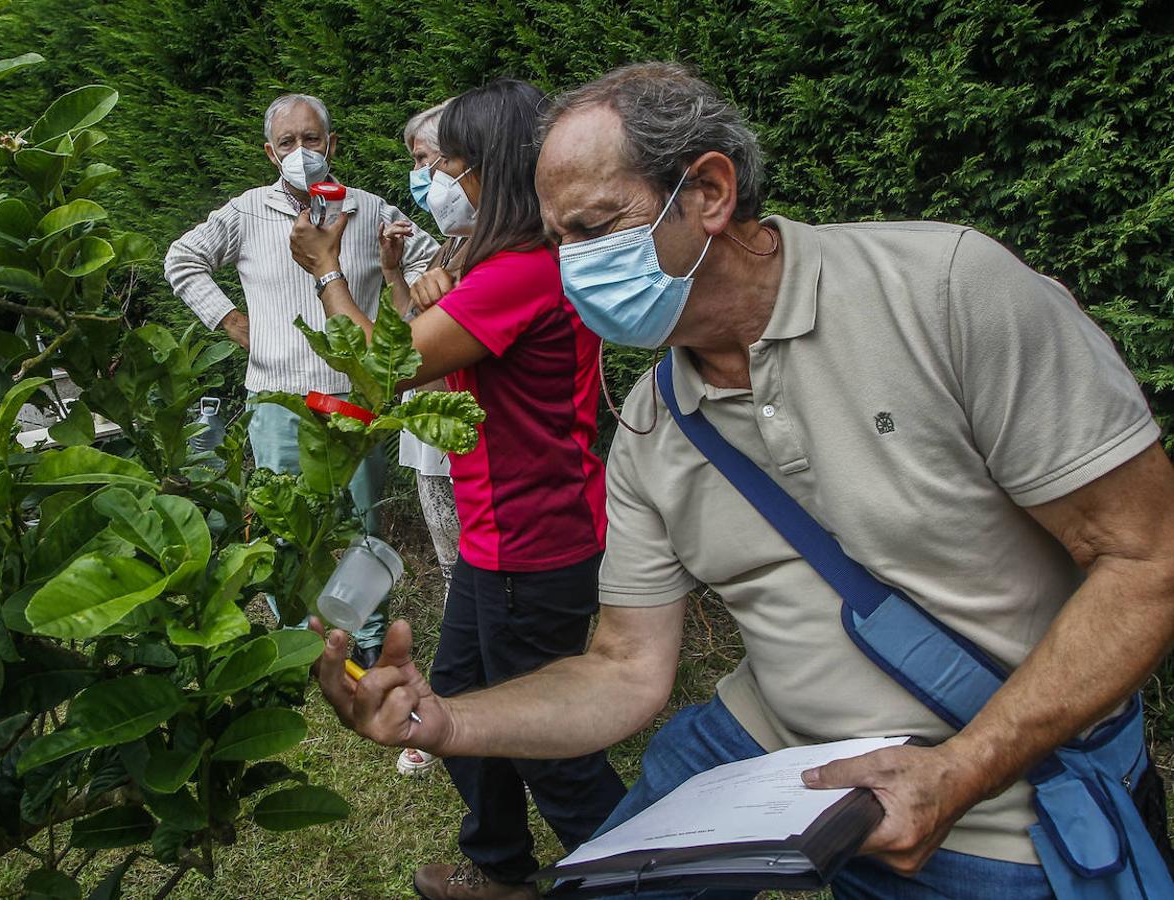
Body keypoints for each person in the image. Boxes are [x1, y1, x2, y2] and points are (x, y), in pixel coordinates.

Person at [311, 62, 1174, 900]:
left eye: (592, 227)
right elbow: (622, 668)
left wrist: (961, 770)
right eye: (557, 237)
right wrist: (452, 721)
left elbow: (1148, 561)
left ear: (709, 194)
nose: (570, 267)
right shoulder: (653, 421)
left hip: (1000, 800)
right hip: (762, 756)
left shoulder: (944, 291)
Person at [289, 78, 627, 900]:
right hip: (502, 536)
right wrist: (426, 287)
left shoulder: (518, 271)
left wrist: (328, 269)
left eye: (448, 161)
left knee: (548, 746)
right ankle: (500, 869)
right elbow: (433, 343)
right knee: (459, 707)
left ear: (489, 168)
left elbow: (380, 370)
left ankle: (653, 877)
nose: (441, 176)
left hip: (529, 542)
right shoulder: (507, 265)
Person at [164, 93, 438, 666]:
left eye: (311, 139)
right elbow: (182, 259)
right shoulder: (245, 213)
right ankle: (300, 644)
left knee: (361, 526)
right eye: (287, 142)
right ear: (270, 152)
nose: (301, 152)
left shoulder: (370, 209)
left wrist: (412, 297)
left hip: (355, 399)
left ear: (332, 144)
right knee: (284, 526)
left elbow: (429, 265)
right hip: (278, 399)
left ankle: (362, 644)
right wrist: (233, 322)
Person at [384, 99, 462, 779]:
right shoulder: (439, 245)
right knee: (451, 573)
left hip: (462, 437)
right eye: (413, 161)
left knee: (471, 582)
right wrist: (391, 276)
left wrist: (327, 274)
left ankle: (463, 709)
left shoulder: (488, 251)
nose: (420, 176)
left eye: (426, 160)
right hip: (430, 438)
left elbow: (402, 359)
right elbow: (410, 332)